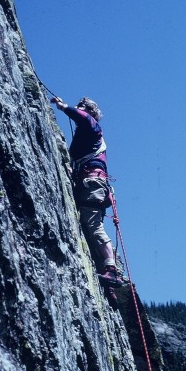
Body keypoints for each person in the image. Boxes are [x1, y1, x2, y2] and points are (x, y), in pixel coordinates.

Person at [51, 96, 120, 291]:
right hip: (91, 182)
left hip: (92, 183)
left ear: (89, 111)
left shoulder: (93, 126)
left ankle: (111, 270)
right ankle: (109, 270)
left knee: (93, 224)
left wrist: (64, 107)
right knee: (92, 225)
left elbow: (82, 117)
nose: (78, 108)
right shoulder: (86, 137)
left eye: (82, 107)